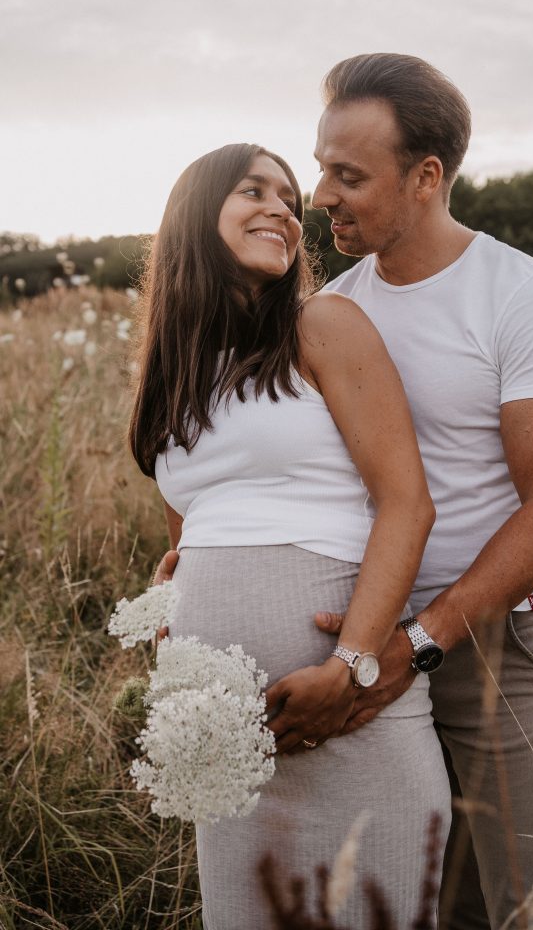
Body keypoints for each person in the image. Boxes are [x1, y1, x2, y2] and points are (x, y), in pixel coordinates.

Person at [302, 54, 533, 930]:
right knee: (393, 896)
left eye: (347, 175)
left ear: (426, 177)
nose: (321, 193)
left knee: (525, 905)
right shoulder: (334, 310)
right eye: (321, 167)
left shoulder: (520, 296)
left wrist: (417, 645)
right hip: (357, 639)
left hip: (494, 651)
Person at [130, 142, 451, 929]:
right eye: (253, 191)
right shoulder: (171, 374)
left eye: (285, 195)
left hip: (350, 712)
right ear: (192, 216)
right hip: (226, 734)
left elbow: (406, 503)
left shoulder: (324, 324)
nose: (283, 207)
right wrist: (173, 607)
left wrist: (352, 667)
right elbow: (191, 536)